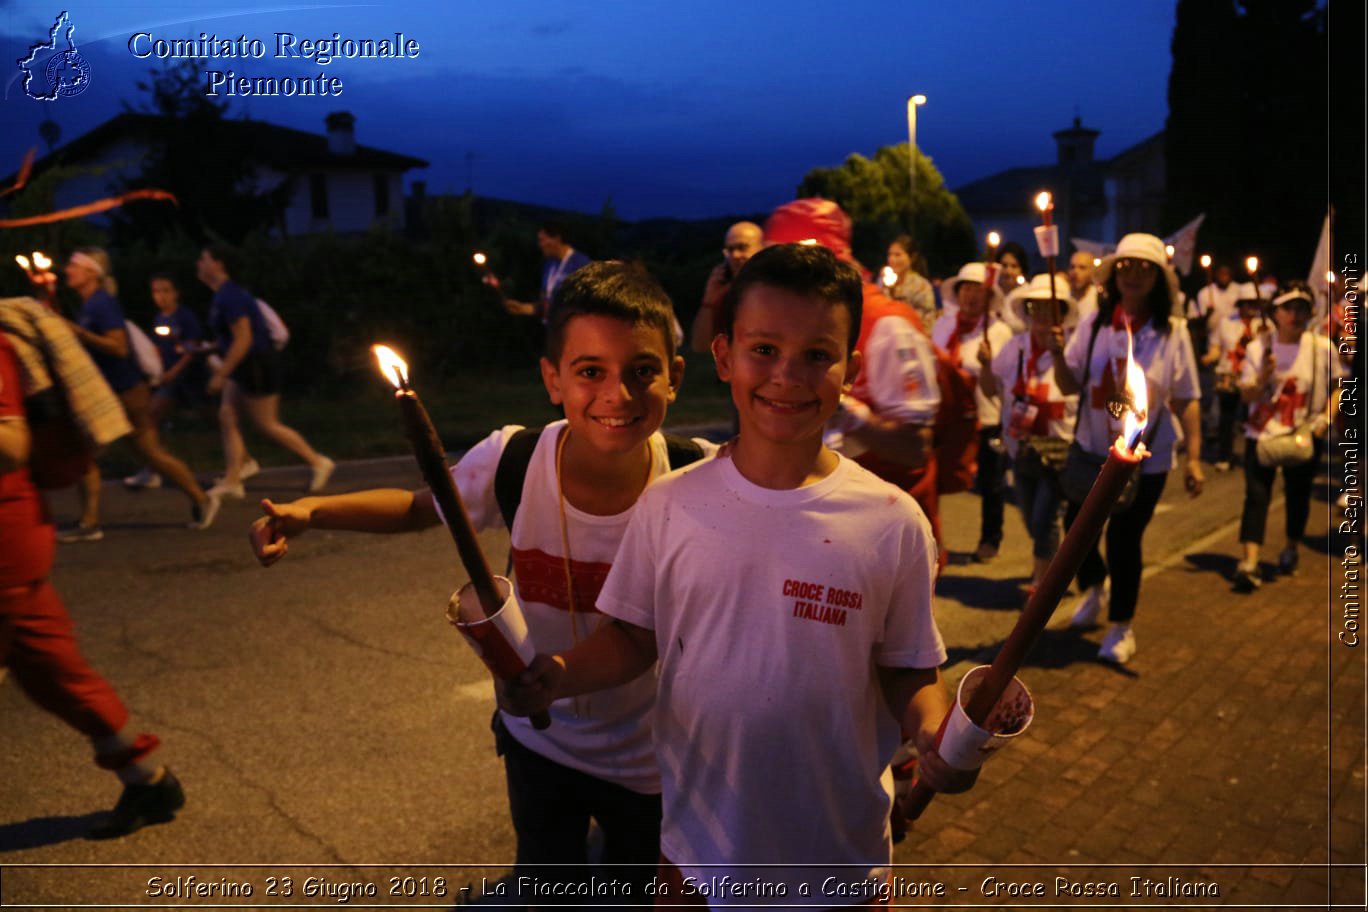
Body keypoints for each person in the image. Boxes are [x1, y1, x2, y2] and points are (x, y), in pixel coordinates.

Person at [500, 243, 977, 902]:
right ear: (724, 357)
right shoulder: (669, 505)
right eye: (764, 350)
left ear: (852, 368)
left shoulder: (892, 522)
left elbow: (907, 669)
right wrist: (557, 676)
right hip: (697, 854)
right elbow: (635, 639)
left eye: (817, 355)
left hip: (836, 861)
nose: (788, 376)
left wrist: (934, 730)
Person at [250, 263, 709, 903]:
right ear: (553, 379)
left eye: (642, 371)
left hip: (653, 759)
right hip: (537, 738)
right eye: (589, 372)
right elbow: (419, 506)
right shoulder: (515, 461)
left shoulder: (699, 483)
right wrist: (312, 513)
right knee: (546, 878)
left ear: (675, 378)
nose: (618, 394)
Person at [0, 325, 184, 838]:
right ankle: (148, 779)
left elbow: (12, 444)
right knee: (51, 671)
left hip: (5, 545)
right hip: (17, 539)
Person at [764, 200, 943, 565]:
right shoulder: (791, 322)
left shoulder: (888, 326)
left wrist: (847, 413)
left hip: (881, 542)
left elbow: (915, 447)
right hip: (811, 530)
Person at [1057, 233, 1203, 664]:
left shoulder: (1172, 332)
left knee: (1124, 539)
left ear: (1159, 278)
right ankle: (1094, 587)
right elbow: (1069, 387)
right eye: (1126, 266)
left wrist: (1194, 457)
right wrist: (1053, 353)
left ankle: (1122, 626)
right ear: (1115, 273)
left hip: (1148, 459)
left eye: (1144, 268)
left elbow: (1187, 397)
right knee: (1076, 531)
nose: (1134, 275)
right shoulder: (1094, 324)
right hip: (1092, 450)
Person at [57, 248, 219, 540]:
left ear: (91, 272)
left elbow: (118, 347)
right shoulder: (92, 303)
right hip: (124, 392)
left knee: (86, 452)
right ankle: (201, 498)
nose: (68, 269)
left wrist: (77, 333)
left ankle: (89, 523)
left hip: (124, 394)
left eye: (74, 265)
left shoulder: (101, 304)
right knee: (150, 454)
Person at [197, 246, 333, 501]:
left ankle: (318, 462)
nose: (199, 264)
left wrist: (221, 374)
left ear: (219, 264)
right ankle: (233, 479)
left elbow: (244, 338)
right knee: (227, 415)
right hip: (245, 365)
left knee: (266, 424)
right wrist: (210, 348)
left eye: (204, 259)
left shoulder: (231, 296)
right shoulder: (223, 295)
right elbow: (232, 338)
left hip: (256, 365)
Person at [979, 274, 1078, 597]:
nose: (1042, 316)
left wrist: (1059, 354)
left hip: (1057, 449)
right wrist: (984, 365)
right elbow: (991, 388)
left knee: (1045, 519)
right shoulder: (1016, 346)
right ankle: (1051, 565)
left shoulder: (1073, 347)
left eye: (1051, 309)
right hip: (1020, 447)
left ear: (1062, 313)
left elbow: (1070, 387)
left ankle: (1043, 585)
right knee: (1030, 515)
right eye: (1036, 308)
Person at [1232, 284, 1333, 591]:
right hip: (1261, 434)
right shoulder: (1257, 348)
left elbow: (1341, 385)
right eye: (1289, 308)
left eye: (1302, 308)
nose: (1295, 315)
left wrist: (1326, 419)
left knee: (1298, 495)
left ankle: (1291, 547)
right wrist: (1264, 376)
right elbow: (1246, 393)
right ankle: (1249, 561)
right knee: (1257, 494)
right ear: (1275, 312)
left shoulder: (1322, 347)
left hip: (1303, 433)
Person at [932, 263, 1013, 562]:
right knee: (938, 480)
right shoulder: (943, 326)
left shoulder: (999, 332)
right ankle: (932, 538)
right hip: (948, 419)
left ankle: (990, 538)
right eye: (965, 288)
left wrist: (988, 364)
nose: (971, 296)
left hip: (986, 417)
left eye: (978, 290)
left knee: (991, 483)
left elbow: (1003, 383)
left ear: (989, 296)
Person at [1202, 295, 1268, 471]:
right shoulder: (1226, 322)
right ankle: (1224, 456)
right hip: (1229, 375)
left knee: (1251, 419)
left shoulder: (1264, 324)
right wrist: (1209, 357)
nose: (1250, 308)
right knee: (1227, 418)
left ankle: (1253, 457)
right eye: (1247, 304)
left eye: (1254, 304)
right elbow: (1216, 347)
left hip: (1254, 377)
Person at [493, 220, 592, 323]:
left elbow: (585, 303)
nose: (540, 245)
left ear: (557, 238)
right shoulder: (549, 264)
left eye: (542, 240)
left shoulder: (581, 264)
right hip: (551, 329)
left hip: (570, 329)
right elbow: (545, 303)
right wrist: (522, 308)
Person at [689, 221, 762, 354]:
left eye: (742, 247)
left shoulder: (780, 292)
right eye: (730, 250)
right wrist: (709, 300)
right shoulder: (725, 295)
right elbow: (700, 346)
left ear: (762, 248)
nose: (734, 255)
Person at [883, 234, 937, 329]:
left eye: (897, 255)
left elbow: (928, 320)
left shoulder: (921, 286)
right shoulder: (883, 281)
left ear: (912, 257)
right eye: (890, 254)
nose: (892, 259)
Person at [1067, 250, 1099, 326]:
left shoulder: (1099, 299)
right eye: (1072, 267)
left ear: (1092, 271)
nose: (1075, 271)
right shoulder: (1063, 297)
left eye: (1082, 268)